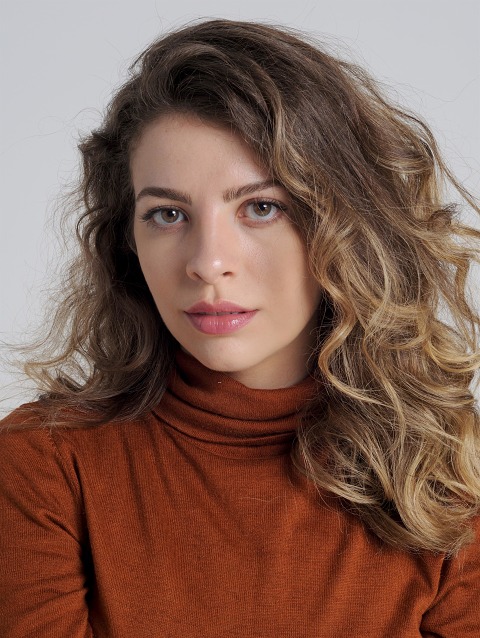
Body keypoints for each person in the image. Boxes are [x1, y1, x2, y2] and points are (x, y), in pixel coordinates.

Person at [1, 18, 479, 637]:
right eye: (167, 214)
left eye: (261, 207)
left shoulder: (447, 479)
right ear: (128, 241)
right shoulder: (44, 464)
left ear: (347, 226)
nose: (207, 263)